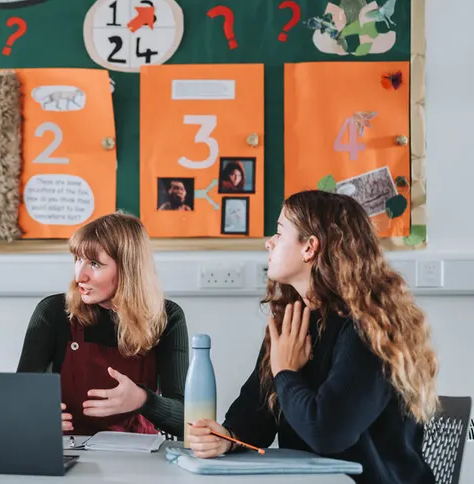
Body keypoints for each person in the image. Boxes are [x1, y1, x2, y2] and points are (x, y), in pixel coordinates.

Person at [187, 190, 438, 484]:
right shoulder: (295, 319)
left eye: (280, 233)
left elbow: (328, 433)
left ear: (309, 248)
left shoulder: (369, 327)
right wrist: (228, 437)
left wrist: (285, 372)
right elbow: (258, 412)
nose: (269, 242)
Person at [17, 212, 189, 438]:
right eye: (78, 259)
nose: (80, 276)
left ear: (128, 269)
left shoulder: (168, 316)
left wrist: (143, 400)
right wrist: (35, 417)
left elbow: (187, 423)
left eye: (95, 264)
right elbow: (19, 402)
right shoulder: (52, 312)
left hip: (139, 459)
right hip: (69, 451)